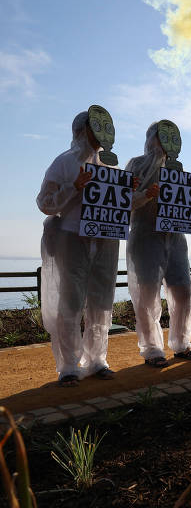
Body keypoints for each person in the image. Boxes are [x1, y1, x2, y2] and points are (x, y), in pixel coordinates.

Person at [36, 109, 126, 387]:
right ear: (81, 130)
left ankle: (98, 359)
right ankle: (69, 366)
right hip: (71, 238)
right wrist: (74, 187)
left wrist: (135, 193)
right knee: (71, 303)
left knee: (100, 303)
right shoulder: (63, 163)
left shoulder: (112, 165)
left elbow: (123, 205)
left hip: (106, 241)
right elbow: (45, 202)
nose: (101, 132)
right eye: (94, 127)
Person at [126, 121, 191, 367]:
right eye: (162, 138)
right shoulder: (136, 165)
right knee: (147, 294)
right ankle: (152, 349)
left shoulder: (177, 168)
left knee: (183, 290)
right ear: (152, 139)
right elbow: (122, 202)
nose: (166, 143)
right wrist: (146, 194)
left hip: (175, 238)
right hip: (146, 236)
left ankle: (181, 344)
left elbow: (178, 203)